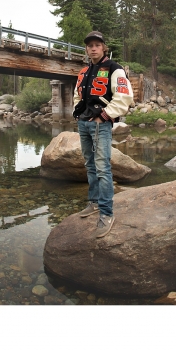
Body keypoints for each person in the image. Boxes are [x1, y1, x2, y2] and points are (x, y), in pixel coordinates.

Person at [72, 31, 133, 237]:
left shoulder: (114, 69)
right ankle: (94, 202)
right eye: (90, 45)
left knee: (103, 168)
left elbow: (124, 97)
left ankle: (106, 213)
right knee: (90, 165)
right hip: (84, 125)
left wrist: (105, 115)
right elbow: (77, 95)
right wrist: (78, 114)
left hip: (101, 125)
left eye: (97, 45)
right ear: (87, 49)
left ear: (104, 47)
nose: (93, 48)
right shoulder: (84, 71)